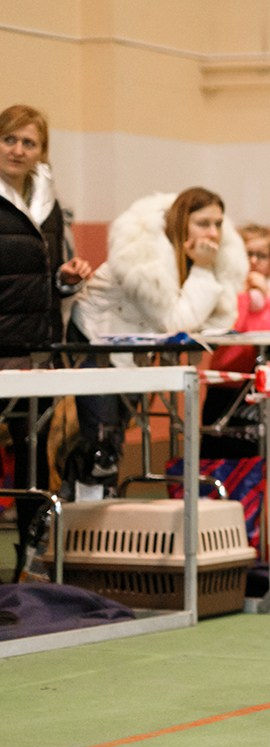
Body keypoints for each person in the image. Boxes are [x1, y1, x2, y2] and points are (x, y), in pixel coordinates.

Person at [64, 187, 246, 498]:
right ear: (182, 221)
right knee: (101, 447)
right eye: (203, 223)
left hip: (132, 349)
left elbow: (219, 321)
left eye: (218, 224)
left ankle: (86, 515)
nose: (213, 233)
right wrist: (202, 270)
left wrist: (204, 270)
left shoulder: (204, 255)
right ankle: (68, 522)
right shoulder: (143, 253)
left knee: (112, 444)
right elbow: (175, 323)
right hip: (94, 341)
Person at [0, 104, 93, 580]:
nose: (18, 150)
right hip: (1, 352)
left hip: (39, 349)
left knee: (35, 460)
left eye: (28, 142)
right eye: (9, 139)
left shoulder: (49, 206)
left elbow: (44, 280)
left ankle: (30, 564)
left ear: (42, 152)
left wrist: (65, 279)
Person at [202, 225, 270, 457]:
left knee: (265, 451)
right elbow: (226, 330)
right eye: (249, 254)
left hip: (266, 388)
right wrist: (243, 296)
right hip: (227, 385)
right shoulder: (227, 291)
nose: (255, 261)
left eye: (262, 255)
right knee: (218, 451)